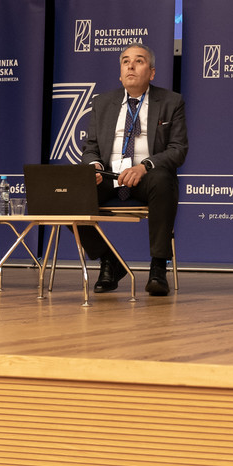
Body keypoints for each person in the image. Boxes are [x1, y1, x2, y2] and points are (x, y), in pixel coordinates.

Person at [79, 44, 188, 296]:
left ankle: (158, 268)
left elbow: (178, 149)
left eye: (139, 61)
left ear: (152, 72)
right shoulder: (102, 102)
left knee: (163, 180)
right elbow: (90, 147)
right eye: (125, 61)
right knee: (69, 195)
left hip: (148, 176)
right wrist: (95, 166)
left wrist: (144, 166)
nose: (130, 65)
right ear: (120, 73)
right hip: (109, 176)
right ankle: (110, 261)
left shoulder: (171, 102)